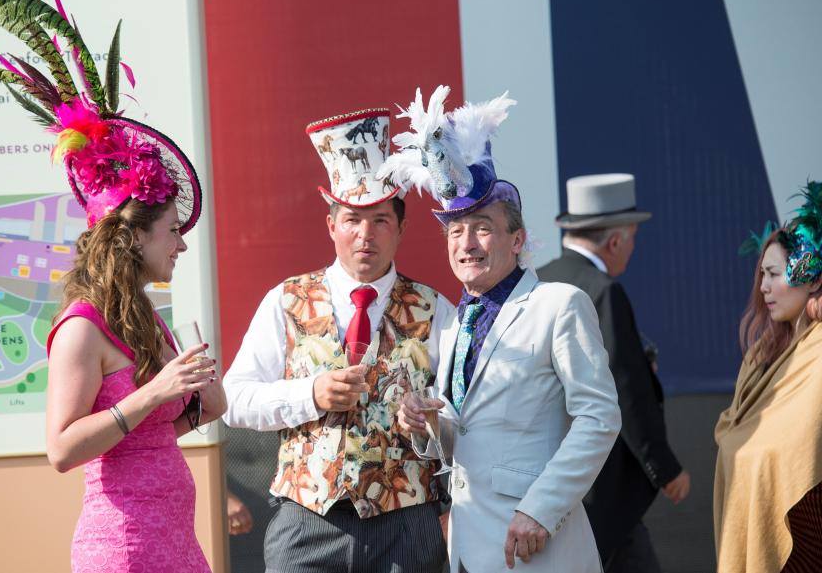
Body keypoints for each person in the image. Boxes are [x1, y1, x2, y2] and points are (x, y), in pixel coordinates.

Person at [0, 0, 225, 572]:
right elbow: (61, 449)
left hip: (175, 546)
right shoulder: (83, 327)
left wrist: (199, 405)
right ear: (133, 237)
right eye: (171, 232)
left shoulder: (141, 315)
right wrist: (158, 392)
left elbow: (147, 435)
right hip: (125, 550)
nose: (182, 247)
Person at [391, 86, 621, 573]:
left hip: (542, 548)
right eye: (455, 231)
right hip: (472, 549)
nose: (466, 243)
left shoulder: (560, 304)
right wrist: (426, 423)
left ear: (517, 239)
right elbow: (469, 434)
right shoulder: (454, 324)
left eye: (482, 228)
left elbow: (600, 419)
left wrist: (540, 509)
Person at [222, 108, 456, 573]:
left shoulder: (436, 309)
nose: (365, 234)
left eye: (380, 221)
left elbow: (459, 416)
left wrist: (429, 423)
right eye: (352, 219)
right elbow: (233, 398)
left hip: (406, 523)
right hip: (307, 523)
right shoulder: (286, 300)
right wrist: (310, 394)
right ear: (331, 226)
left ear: (402, 228)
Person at [537, 173, 689, 571]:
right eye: (633, 239)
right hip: (599, 487)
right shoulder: (603, 290)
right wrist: (665, 468)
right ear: (616, 241)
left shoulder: (536, 281)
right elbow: (626, 389)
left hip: (548, 480)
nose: (632, 249)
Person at [714, 181, 822, 573]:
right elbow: (735, 431)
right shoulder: (762, 354)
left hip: (807, 533)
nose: (763, 288)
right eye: (761, 275)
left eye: (774, 274)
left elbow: (800, 447)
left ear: (811, 277)